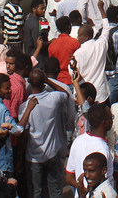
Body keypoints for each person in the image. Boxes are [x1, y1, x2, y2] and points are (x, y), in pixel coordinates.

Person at [20, 66, 75, 198]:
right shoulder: (54, 99)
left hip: (33, 156)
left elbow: (22, 131)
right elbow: (66, 94)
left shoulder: (24, 107)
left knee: (36, 192)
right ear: (43, 82)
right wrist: (49, 81)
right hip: (52, 153)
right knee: (55, 190)